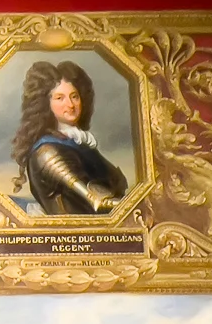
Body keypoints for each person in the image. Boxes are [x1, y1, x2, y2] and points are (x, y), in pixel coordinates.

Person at [10, 60, 129, 214]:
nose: (71, 105)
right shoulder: (47, 153)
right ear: (46, 104)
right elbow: (96, 200)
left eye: (74, 96)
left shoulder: (81, 145)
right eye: (60, 98)